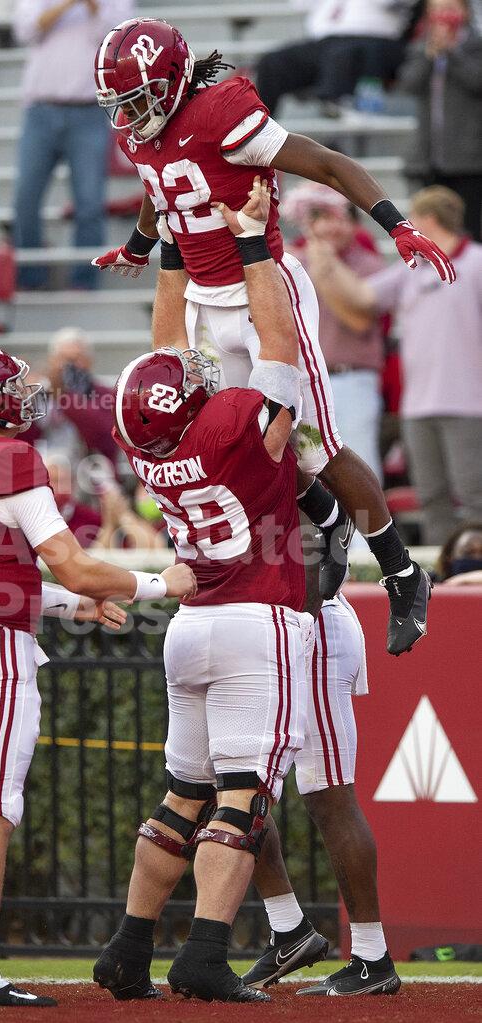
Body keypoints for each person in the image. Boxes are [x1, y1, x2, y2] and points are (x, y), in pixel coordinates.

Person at [92, 18, 454, 656]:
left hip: (266, 292)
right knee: (237, 447)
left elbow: (329, 163)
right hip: (203, 302)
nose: (130, 115)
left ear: (174, 83)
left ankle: (402, 571)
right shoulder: (141, 132)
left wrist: (396, 225)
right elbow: (160, 185)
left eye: (138, 99)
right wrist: (140, 244)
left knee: (313, 445)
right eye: (120, 104)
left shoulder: (223, 111)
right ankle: (329, 521)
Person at [0, 342, 195, 1008]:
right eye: (11, 389)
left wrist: (69, 602)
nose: (24, 401)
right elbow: (73, 562)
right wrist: (156, 581)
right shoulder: (10, 459)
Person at [94, 179, 314, 1004]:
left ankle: (127, 946)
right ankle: (206, 951)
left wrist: (174, 252)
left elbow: (161, 350)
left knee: (182, 796)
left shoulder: (146, 442)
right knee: (241, 797)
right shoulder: (229, 425)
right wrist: (252, 242)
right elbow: (276, 341)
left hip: (189, 623)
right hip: (256, 617)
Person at [243, 553, 400, 997]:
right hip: (270, 625)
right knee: (234, 788)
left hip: (306, 627)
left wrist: (298, 627)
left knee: (329, 797)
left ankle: (372, 957)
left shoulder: (304, 483)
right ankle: (288, 929)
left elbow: (317, 548)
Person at [310, 186, 482, 544]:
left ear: (428, 221)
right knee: (431, 497)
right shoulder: (412, 270)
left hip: (470, 402)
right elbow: (362, 297)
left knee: (474, 494)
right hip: (417, 406)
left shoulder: (477, 263)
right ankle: (444, 571)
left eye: (413, 220)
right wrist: (324, 259)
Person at [12, 0, 133, 290]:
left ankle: (84, 279)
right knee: (25, 199)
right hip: (40, 110)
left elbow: (116, 39)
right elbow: (25, 31)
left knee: (90, 202)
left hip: (88, 111)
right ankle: (30, 279)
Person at [281, 182, 386, 481]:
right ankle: (320, 530)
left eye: (340, 218)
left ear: (355, 225)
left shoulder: (370, 265)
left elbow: (360, 320)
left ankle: (369, 529)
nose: (332, 227)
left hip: (351, 377)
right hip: (303, 379)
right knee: (308, 472)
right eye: (322, 218)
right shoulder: (291, 263)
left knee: (361, 465)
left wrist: (322, 260)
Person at [398, 0, 482, 241]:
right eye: (437, 10)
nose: (444, 16)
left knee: (470, 229)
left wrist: (452, 52)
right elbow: (409, 85)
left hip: (469, 158)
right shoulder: (421, 46)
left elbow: (477, 82)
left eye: (451, 8)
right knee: (429, 230)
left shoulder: (476, 46)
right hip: (428, 157)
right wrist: (430, 55)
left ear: (465, 11)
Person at [256, 0, 420, 118]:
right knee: (272, 62)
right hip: (324, 42)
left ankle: (334, 103)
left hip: (375, 42)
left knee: (340, 55)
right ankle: (260, 126)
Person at [44, 326, 117, 465]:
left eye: (77, 359)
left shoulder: (105, 394)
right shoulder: (39, 393)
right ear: (51, 361)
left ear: (89, 361)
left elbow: (105, 436)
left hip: (92, 472)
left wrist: (64, 396)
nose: (70, 366)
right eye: (64, 359)